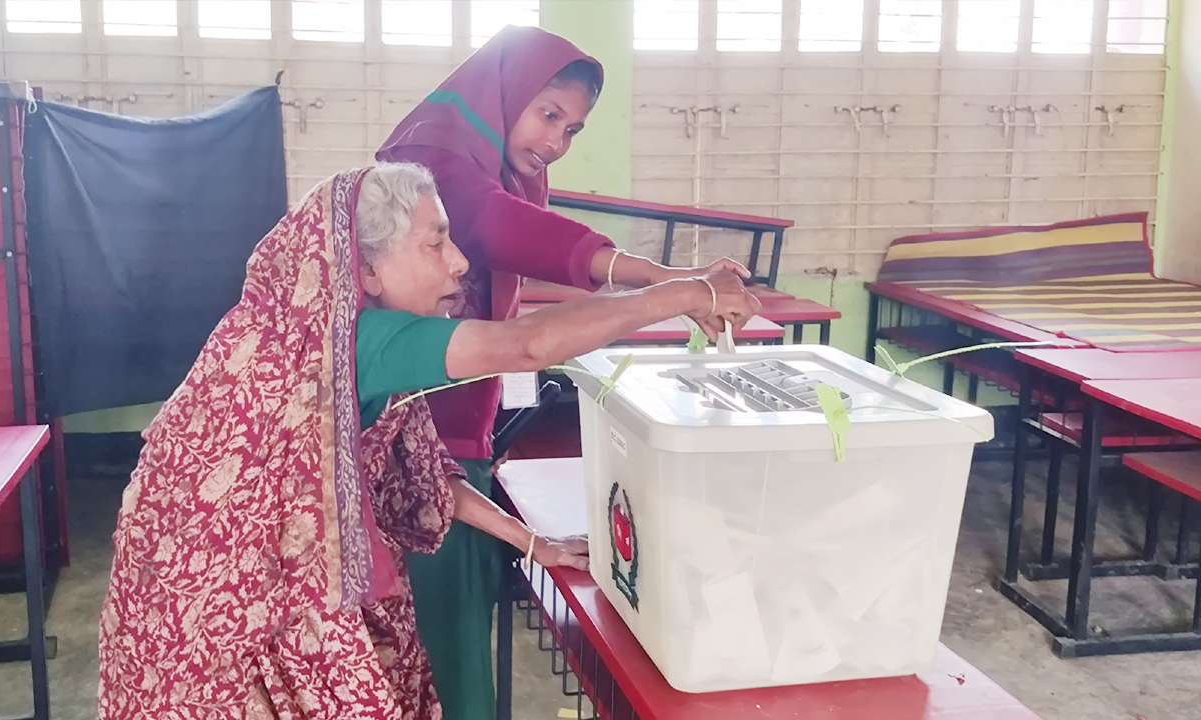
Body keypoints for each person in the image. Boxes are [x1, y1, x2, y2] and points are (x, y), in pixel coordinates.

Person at [97, 163, 757, 719]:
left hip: (225, 569)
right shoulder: (355, 340)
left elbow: (429, 478)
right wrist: (683, 292)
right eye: (435, 242)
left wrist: (535, 544)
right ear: (369, 270)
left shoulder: (343, 336)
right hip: (209, 589)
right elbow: (528, 344)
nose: (461, 261)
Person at [377, 26, 755, 719]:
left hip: (451, 453)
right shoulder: (435, 159)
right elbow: (519, 313)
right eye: (548, 114)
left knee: (450, 642)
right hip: (427, 457)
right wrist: (673, 284)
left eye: (573, 129)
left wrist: (532, 541)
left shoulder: (490, 161)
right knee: (441, 660)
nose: (555, 142)